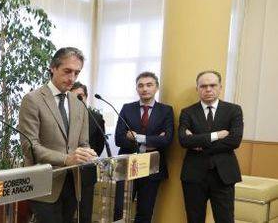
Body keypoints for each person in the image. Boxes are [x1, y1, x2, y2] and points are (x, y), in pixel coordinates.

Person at [18, 47, 97, 223]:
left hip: (72, 183)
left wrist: (87, 153)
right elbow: (30, 147)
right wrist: (66, 159)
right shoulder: (32, 100)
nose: (72, 78)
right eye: (67, 71)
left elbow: (83, 142)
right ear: (53, 67)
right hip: (44, 185)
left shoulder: (78, 103)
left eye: (77, 73)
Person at [179, 70, 243, 223]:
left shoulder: (233, 110)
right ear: (197, 89)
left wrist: (197, 141)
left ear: (220, 87)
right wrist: (215, 136)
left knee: (225, 219)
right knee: (194, 219)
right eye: (203, 86)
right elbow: (183, 141)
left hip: (223, 175)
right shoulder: (187, 112)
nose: (208, 89)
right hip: (194, 175)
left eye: (213, 85)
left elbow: (234, 141)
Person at [113, 72, 174, 223]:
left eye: (149, 85)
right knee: (120, 210)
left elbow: (167, 140)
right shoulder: (127, 108)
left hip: (152, 167)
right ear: (136, 88)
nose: (144, 89)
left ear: (156, 88)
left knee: (145, 212)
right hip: (127, 164)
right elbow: (119, 139)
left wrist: (137, 137)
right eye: (140, 85)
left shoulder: (166, 110)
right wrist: (153, 140)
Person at [70, 82, 106, 223]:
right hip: (65, 171)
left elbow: (99, 145)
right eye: (73, 97)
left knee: (85, 213)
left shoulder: (96, 118)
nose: (77, 99)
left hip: (87, 170)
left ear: (86, 97)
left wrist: (86, 157)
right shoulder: (63, 116)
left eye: (80, 96)